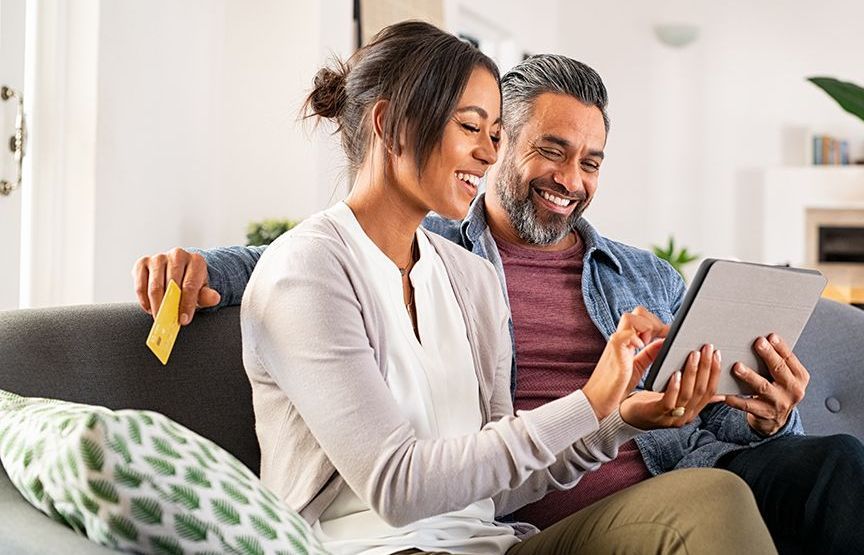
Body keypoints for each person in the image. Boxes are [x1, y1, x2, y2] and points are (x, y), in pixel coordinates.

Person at [134, 47, 864, 553]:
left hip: (627, 485)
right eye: (546, 148)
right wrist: (202, 269)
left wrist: (761, 411)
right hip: (537, 511)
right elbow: (302, 259)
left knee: (837, 464)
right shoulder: (436, 244)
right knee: (718, 500)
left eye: (591, 159)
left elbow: (706, 417)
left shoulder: (631, 275)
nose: (571, 178)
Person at [201, 20, 774, 555]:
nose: (489, 151)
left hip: (490, 542)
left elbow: (501, 491)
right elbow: (396, 488)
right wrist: (589, 401)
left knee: (712, 496)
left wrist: (621, 418)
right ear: (389, 125)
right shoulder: (307, 272)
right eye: (470, 127)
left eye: (496, 133)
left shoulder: (469, 276)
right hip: (369, 548)